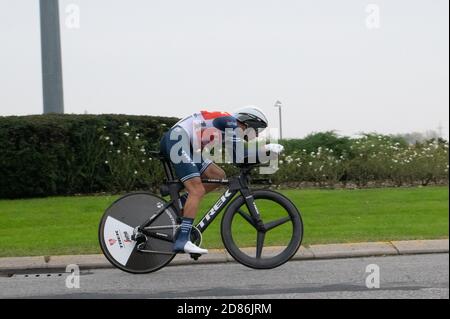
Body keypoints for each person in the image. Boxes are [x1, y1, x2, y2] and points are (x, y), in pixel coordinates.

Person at [159, 106, 283, 254]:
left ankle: (181, 202)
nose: (255, 136)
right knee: (196, 190)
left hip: (184, 144)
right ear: (247, 123)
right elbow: (241, 155)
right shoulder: (230, 122)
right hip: (177, 138)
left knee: (218, 176)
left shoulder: (228, 126)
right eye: (255, 131)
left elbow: (237, 158)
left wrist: (263, 154)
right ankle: (182, 240)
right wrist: (267, 149)